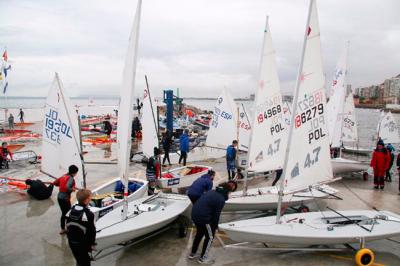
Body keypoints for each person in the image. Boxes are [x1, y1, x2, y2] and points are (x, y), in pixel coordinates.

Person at [189, 182, 236, 264]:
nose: (230, 194)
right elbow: (216, 215)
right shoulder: (220, 199)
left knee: (199, 233)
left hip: (194, 215)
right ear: (227, 192)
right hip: (203, 218)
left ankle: (192, 254)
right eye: (230, 192)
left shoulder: (212, 192)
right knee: (210, 237)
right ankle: (203, 258)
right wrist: (215, 227)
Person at [66, 189, 96, 266]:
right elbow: (91, 231)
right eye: (90, 198)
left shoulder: (70, 210)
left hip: (71, 241)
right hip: (82, 244)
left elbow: (67, 225)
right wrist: (92, 244)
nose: (90, 199)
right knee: (85, 262)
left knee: (79, 260)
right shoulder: (89, 214)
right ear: (86, 200)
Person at [53, 165, 78, 234]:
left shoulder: (63, 176)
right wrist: (72, 189)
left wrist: (61, 184)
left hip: (59, 197)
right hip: (65, 198)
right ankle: (69, 229)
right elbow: (67, 187)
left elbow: (55, 183)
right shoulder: (71, 178)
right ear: (74, 173)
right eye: (76, 173)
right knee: (68, 214)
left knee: (64, 213)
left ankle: (63, 229)